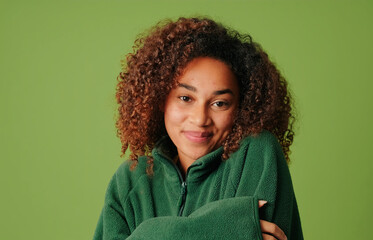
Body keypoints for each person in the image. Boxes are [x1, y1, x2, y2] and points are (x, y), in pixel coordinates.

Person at [94, 17, 303, 240]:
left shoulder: (256, 154)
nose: (200, 118)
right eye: (185, 98)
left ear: (242, 108)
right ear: (160, 100)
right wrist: (216, 229)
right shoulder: (130, 182)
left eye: (219, 103)